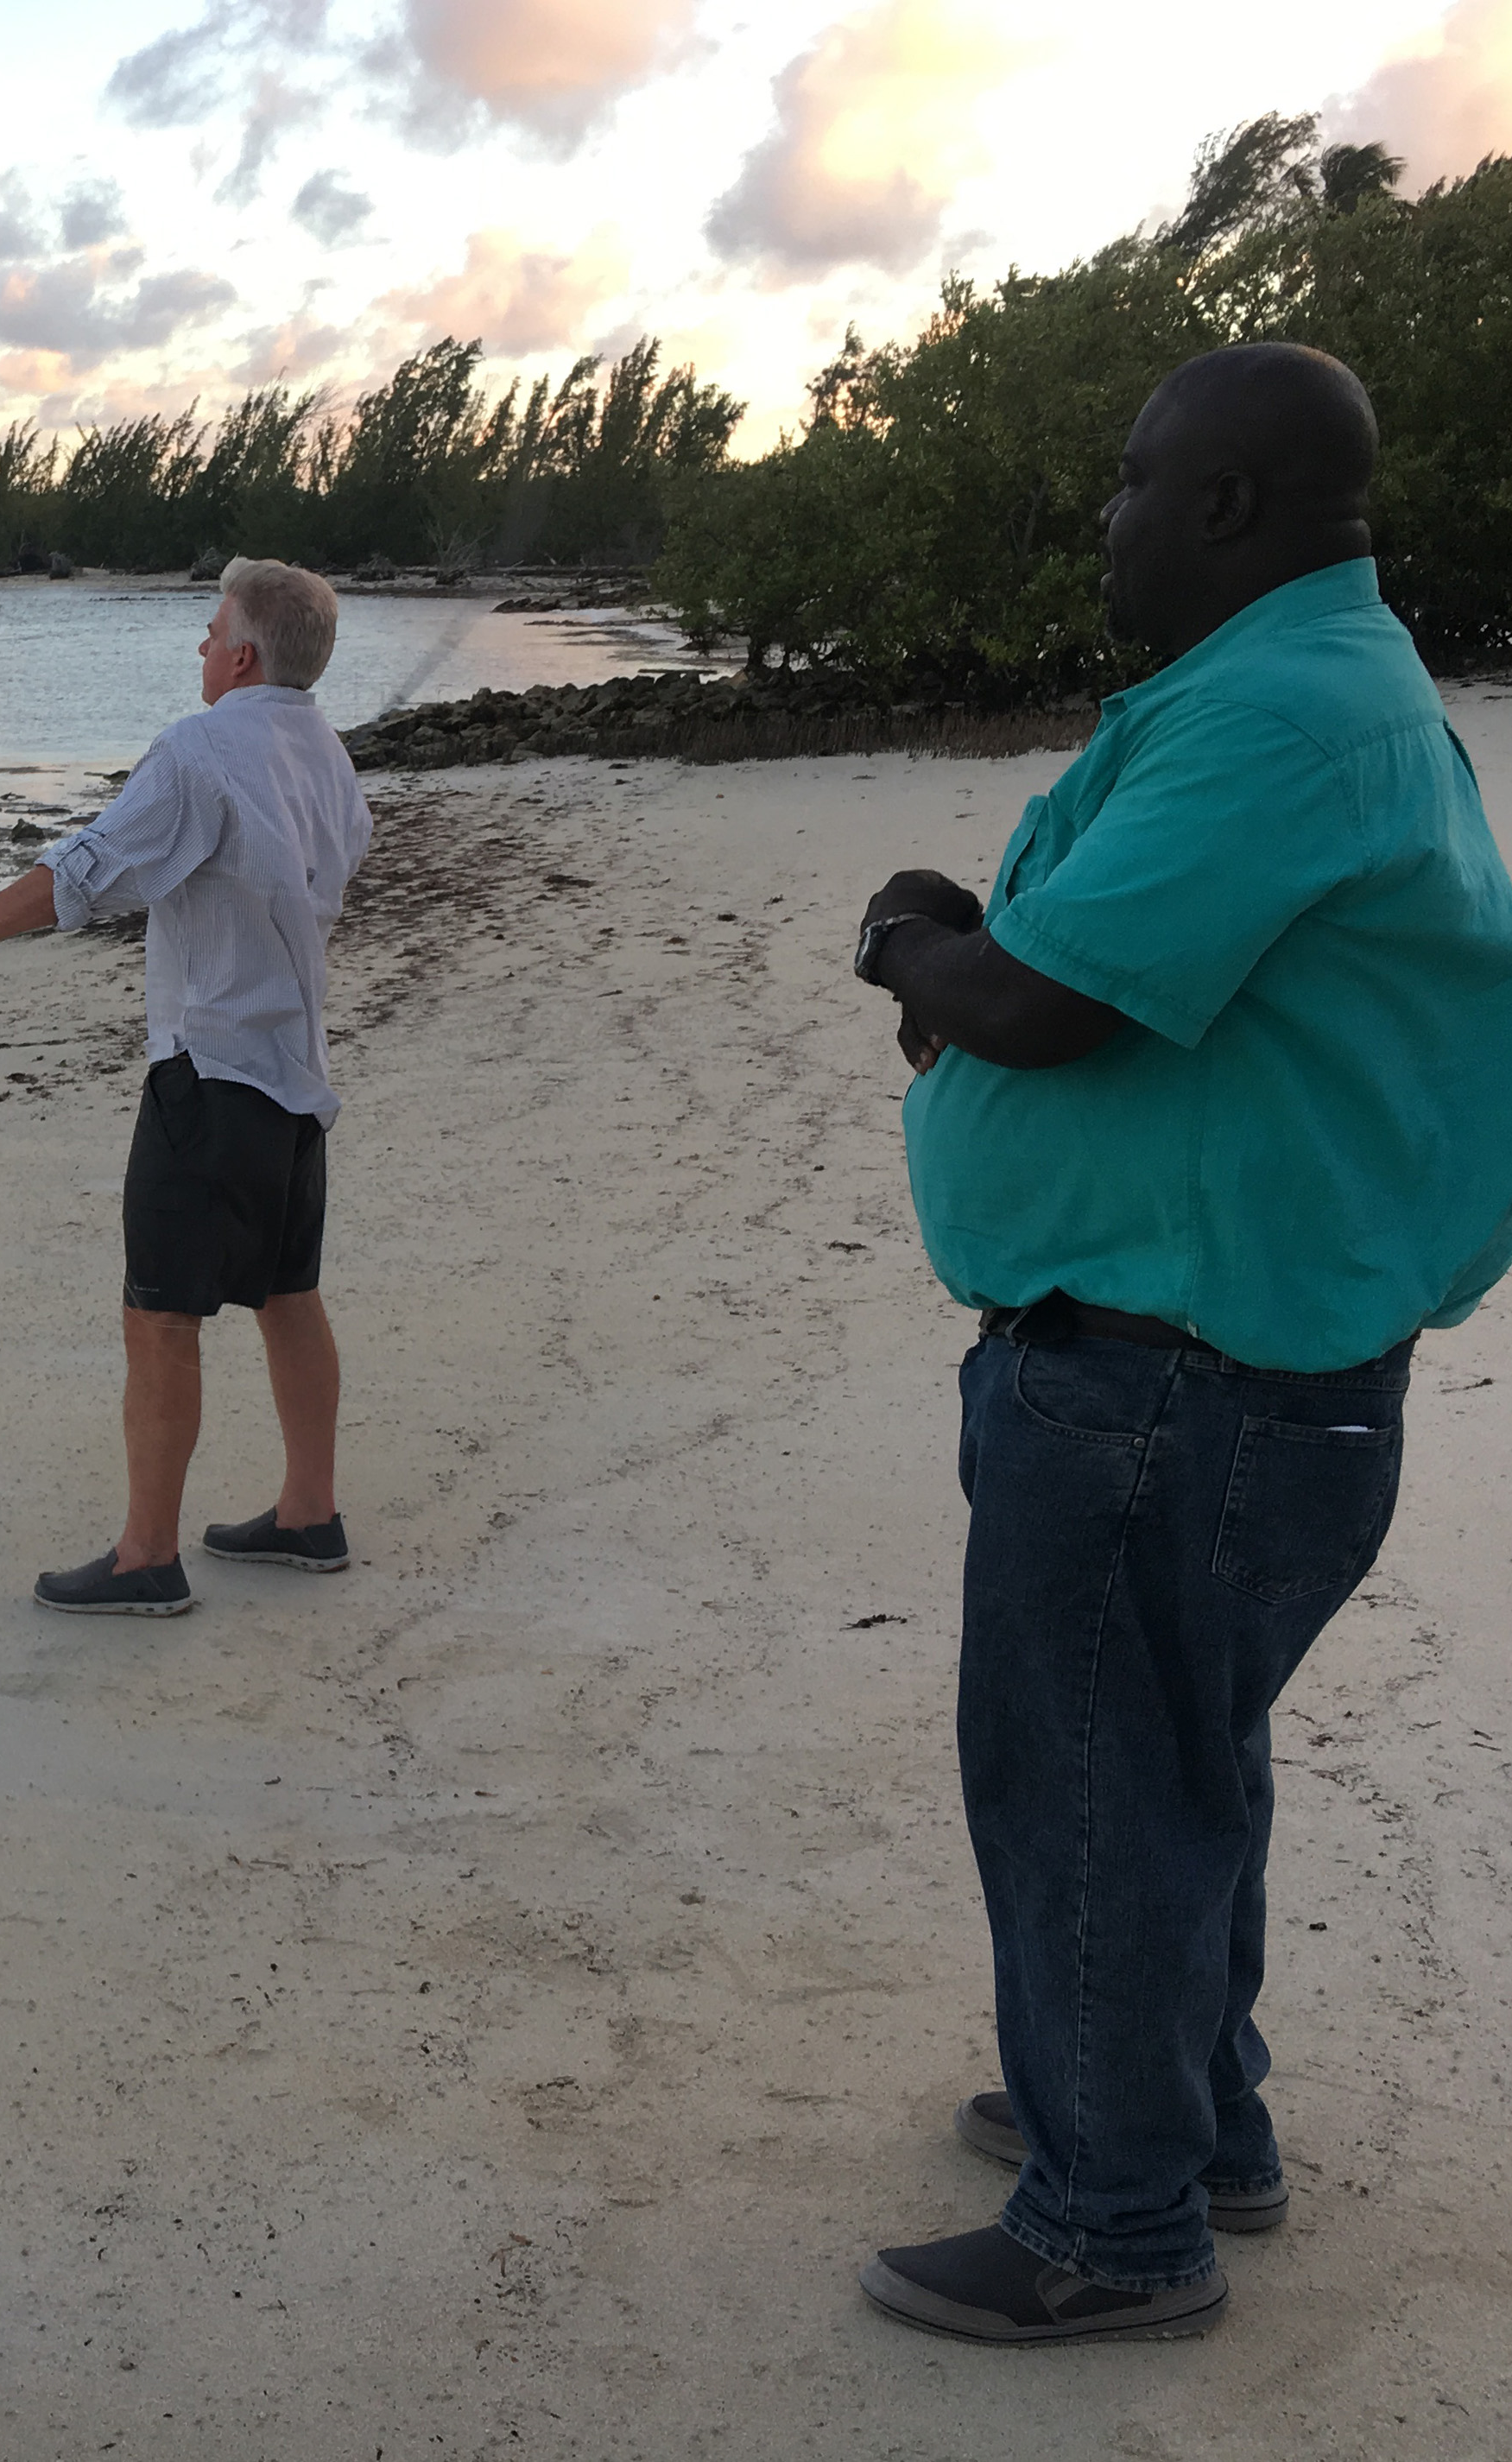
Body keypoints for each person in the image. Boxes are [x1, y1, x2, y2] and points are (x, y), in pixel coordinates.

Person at [849, 341, 1512, 2344]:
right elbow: (1087, 973)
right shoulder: (1303, 687)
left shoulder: (1291, 712)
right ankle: (1184, 2118)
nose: (1112, 513)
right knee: (1166, 1760)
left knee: (1087, 1779)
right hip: (1222, 1358)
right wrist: (982, 962)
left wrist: (905, 941)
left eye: (1137, 481)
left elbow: (1049, 1008)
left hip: (1173, 1370)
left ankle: (1117, 2221)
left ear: (1227, 505)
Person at [0, 557, 373, 1614]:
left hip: (212, 1070)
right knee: (288, 1293)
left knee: (159, 1314)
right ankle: (308, 1512)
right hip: (292, 1073)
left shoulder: (199, 751)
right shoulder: (326, 752)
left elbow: (86, 872)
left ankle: (148, 1555)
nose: (199, 646)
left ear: (244, 652)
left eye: (210, 631)